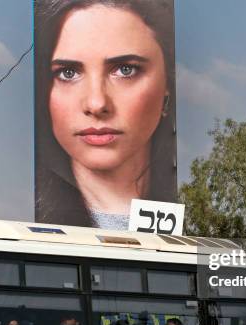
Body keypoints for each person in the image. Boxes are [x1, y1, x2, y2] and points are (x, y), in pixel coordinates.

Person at [35, 0, 177, 229]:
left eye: (125, 70)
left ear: (167, 84)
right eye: (68, 73)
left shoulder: (196, 219)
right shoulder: (36, 235)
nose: (96, 103)